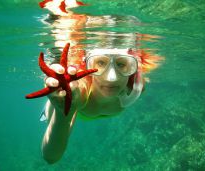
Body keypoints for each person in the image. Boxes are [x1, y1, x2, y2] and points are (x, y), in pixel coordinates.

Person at [36, 0, 163, 164]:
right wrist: (63, 110)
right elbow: (50, 157)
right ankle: (51, 105)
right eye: (100, 62)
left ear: (134, 65)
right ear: (86, 63)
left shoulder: (136, 86)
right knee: (58, 98)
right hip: (77, 106)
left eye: (122, 64)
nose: (112, 77)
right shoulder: (79, 92)